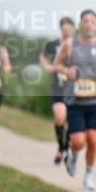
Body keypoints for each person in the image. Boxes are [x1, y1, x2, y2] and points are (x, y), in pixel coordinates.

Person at [54, 9, 96, 191]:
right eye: (85, 21)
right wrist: (67, 71)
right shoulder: (69, 44)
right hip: (75, 101)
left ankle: (88, 175)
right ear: (80, 24)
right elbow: (57, 65)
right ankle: (73, 156)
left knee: (94, 139)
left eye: (92, 21)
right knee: (77, 141)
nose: (89, 24)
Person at [41, 16, 76, 164]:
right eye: (64, 29)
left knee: (71, 120)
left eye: (69, 29)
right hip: (58, 85)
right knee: (60, 116)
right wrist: (47, 66)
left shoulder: (78, 44)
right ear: (61, 29)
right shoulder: (54, 44)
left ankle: (66, 148)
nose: (67, 32)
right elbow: (43, 56)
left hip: (74, 86)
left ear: (73, 29)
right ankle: (61, 148)